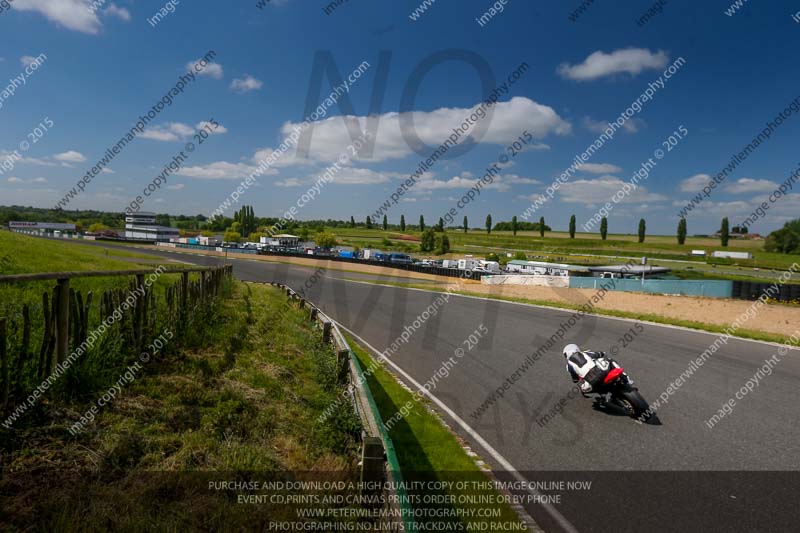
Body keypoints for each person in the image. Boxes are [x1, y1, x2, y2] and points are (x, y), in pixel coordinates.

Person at [563, 343, 632, 405]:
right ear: (576, 349)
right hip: (601, 372)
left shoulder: (568, 366)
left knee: (584, 388)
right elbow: (598, 354)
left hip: (591, 382)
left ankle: (605, 396)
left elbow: (575, 380)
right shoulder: (584, 353)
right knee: (609, 360)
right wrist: (602, 353)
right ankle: (625, 378)